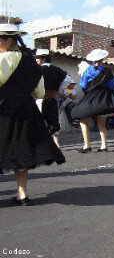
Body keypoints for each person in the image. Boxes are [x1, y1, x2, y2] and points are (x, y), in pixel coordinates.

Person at [0, 20, 65, 205]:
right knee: (21, 152)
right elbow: (40, 92)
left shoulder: (3, 59)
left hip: (4, 110)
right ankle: (22, 194)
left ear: (6, 40)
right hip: (26, 111)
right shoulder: (31, 62)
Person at [71, 49, 114, 152]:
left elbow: (83, 85)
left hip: (91, 97)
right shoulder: (107, 71)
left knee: (82, 118)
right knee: (101, 121)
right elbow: (113, 86)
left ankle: (87, 146)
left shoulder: (88, 71)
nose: (96, 63)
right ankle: (103, 146)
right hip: (104, 98)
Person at [34, 49, 70, 146]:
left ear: (43, 58)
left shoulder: (36, 70)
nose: (36, 60)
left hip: (39, 100)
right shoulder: (59, 71)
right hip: (53, 99)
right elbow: (71, 84)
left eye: (37, 58)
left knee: (38, 122)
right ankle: (56, 144)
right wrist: (66, 94)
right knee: (54, 122)